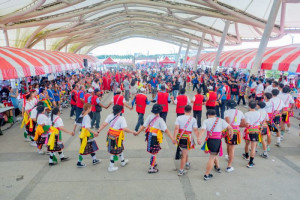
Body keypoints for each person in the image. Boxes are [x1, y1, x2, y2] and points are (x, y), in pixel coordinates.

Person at [136, 104, 175, 173]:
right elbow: (166, 130)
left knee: (153, 151)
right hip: (155, 137)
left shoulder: (149, 116)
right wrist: (172, 138)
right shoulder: (160, 120)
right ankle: (152, 167)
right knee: (154, 152)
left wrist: (137, 132)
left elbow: (144, 126)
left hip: (149, 135)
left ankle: (154, 162)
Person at [98, 105, 136, 172]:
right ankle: (111, 167)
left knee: (119, 149)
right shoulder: (121, 118)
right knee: (114, 151)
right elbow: (125, 129)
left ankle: (123, 161)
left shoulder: (110, 116)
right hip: (117, 137)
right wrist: (132, 132)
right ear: (120, 111)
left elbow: (104, 124)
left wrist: (98, 131)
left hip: (110, 135)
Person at [199, 109, 233, 180]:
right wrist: (231, 134)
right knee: (212, 157)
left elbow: (202, 130)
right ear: (215, 114)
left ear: (208, 115)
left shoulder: (206, 121)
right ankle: (207, 174)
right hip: (217, 141)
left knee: (213, 155)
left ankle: (217, 167)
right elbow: (230, 127)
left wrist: (199, 138)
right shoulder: (220, 120)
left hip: (209, 140)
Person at [174, 105, 200, 176]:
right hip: (188, 138)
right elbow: (195, 130)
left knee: (185, 151)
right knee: (184, 154)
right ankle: (181, 170)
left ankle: (187, 162)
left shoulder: (179, 118)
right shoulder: (193, 119)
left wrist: (174, 138)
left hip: (180, 137)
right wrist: (198, 138)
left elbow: (176, 129)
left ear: (184, 110)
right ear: (191, 111)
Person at [224, 100, 245, 172]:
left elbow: (227, 122)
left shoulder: (226, 112)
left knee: (228, 145)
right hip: (236, 131)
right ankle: (229, 166)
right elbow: (243, 123)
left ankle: (228, 157)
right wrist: (237, 125)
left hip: (228, 131)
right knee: (232, 148)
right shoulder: (240, 112)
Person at [76, 103, 100, 168]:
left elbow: (76, 123)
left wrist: (73, 130)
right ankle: (79, 162)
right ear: (89, 108)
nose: (91, 109)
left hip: (84, 133)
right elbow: (87, 127)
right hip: (86, 134)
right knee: (84, 148)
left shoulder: (82, 114)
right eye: (91, 108)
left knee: (91, 146)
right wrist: (94, 132)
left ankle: (94, 159)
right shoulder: (86, 116)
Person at [243, 101, 263, 168]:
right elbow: (261, 122)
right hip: (256, 131)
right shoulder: (259, 113)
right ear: (255, 106)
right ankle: (251, 162)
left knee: (247, 144)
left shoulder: (246, 114)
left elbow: (247, 124)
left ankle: (246, 156)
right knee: (253, 147)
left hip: (248, 131)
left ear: (249, 106)